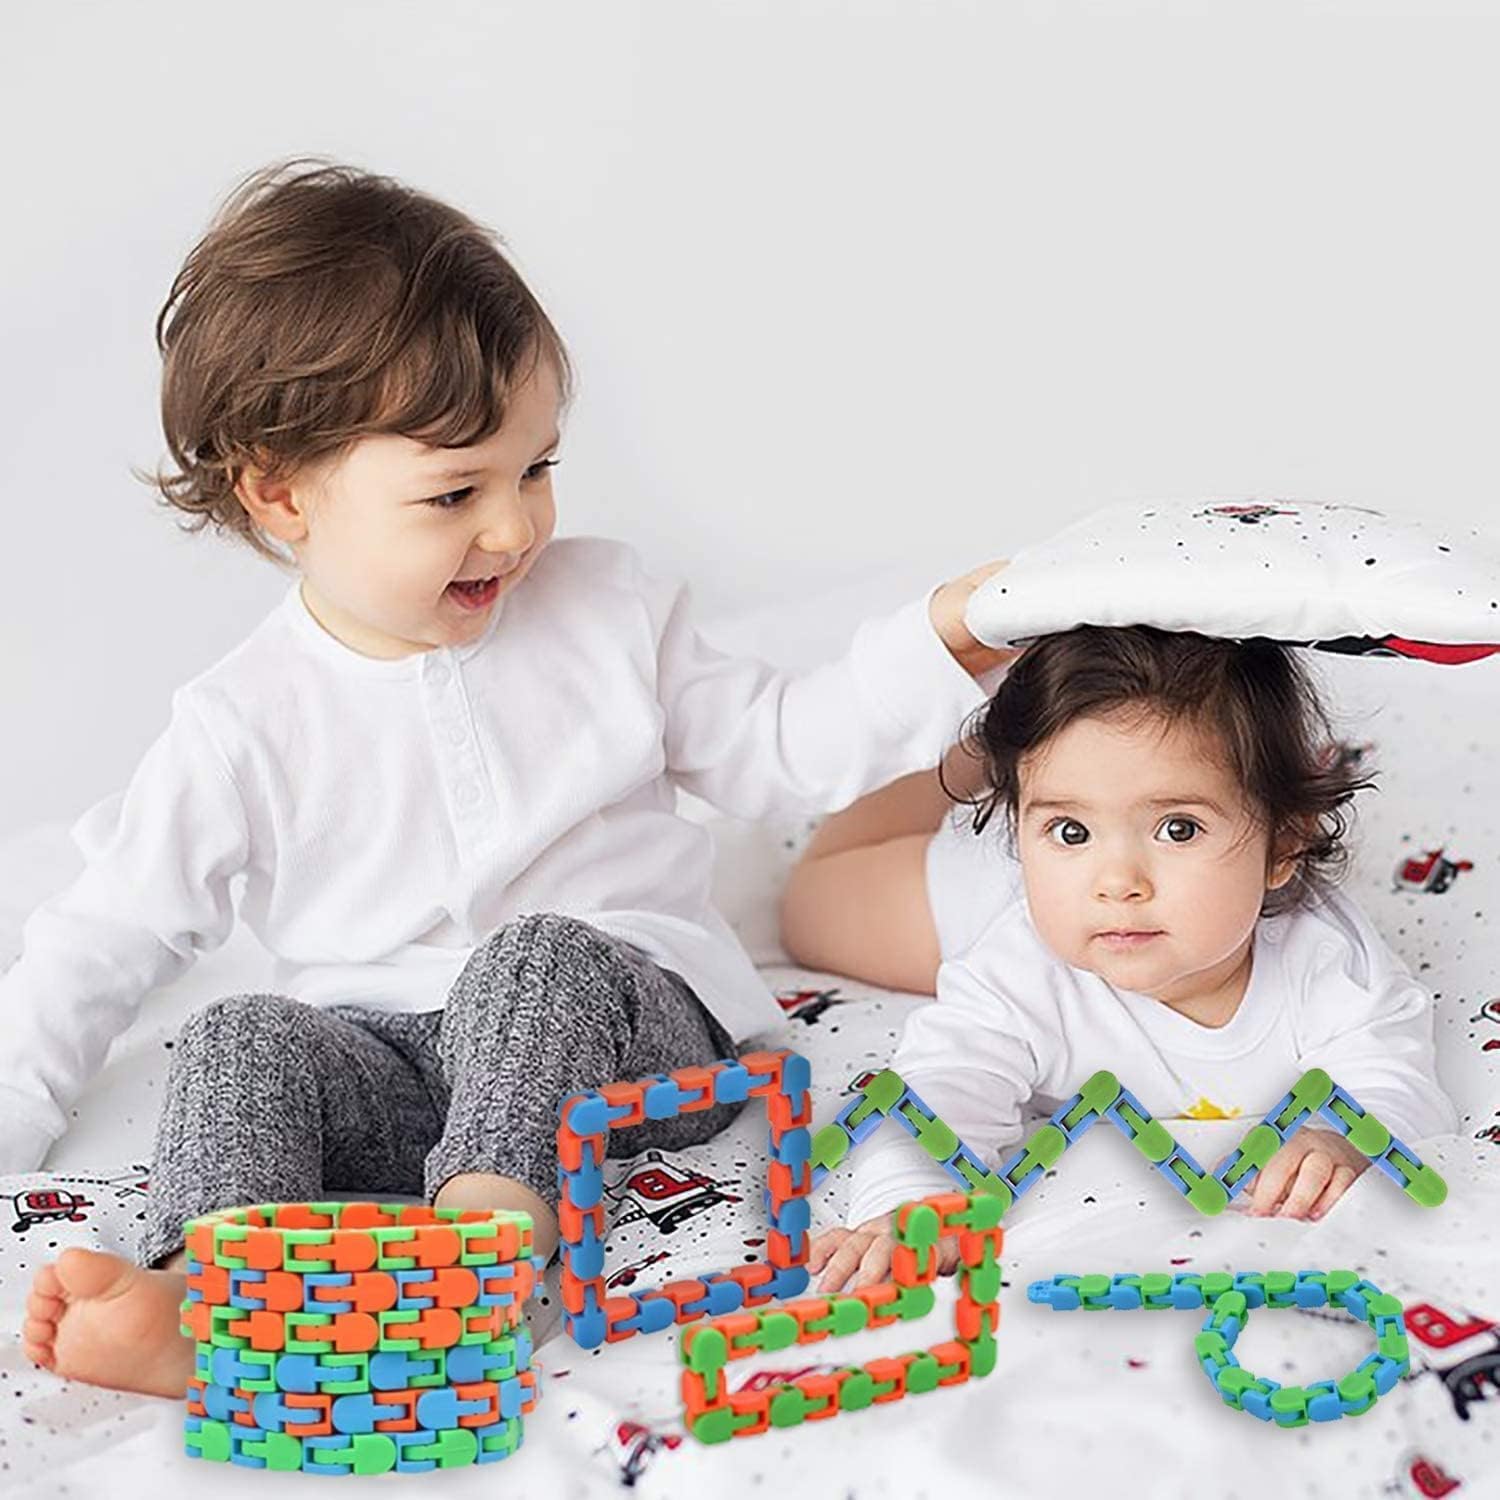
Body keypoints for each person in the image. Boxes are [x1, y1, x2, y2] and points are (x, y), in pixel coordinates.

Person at [10, 158, 1013, 1397]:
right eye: (454, 493)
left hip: (632, 1031)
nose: (514, 528)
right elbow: (103, 934)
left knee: (535, 957)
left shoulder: (610, 607)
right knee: (236, 1034)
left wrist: (939, 639)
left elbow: (783, 749)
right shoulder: (239, 722)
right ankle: (221, 1299)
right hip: (394, 1066)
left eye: (535, 469)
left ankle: (475, 1268)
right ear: (280, 494)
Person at [790, 624, 1460, 1292]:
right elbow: (942, 1083)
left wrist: (1346, 1140)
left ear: (1284, 846)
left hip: (1055, 881)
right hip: (996, 895)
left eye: (1178, 829)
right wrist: (911, 1200)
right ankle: (976, 731)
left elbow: (1391, 1076)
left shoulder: (1327, 961)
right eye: (1071, 829)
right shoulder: (1019, 967)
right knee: (811, 907)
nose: (1119, 882)